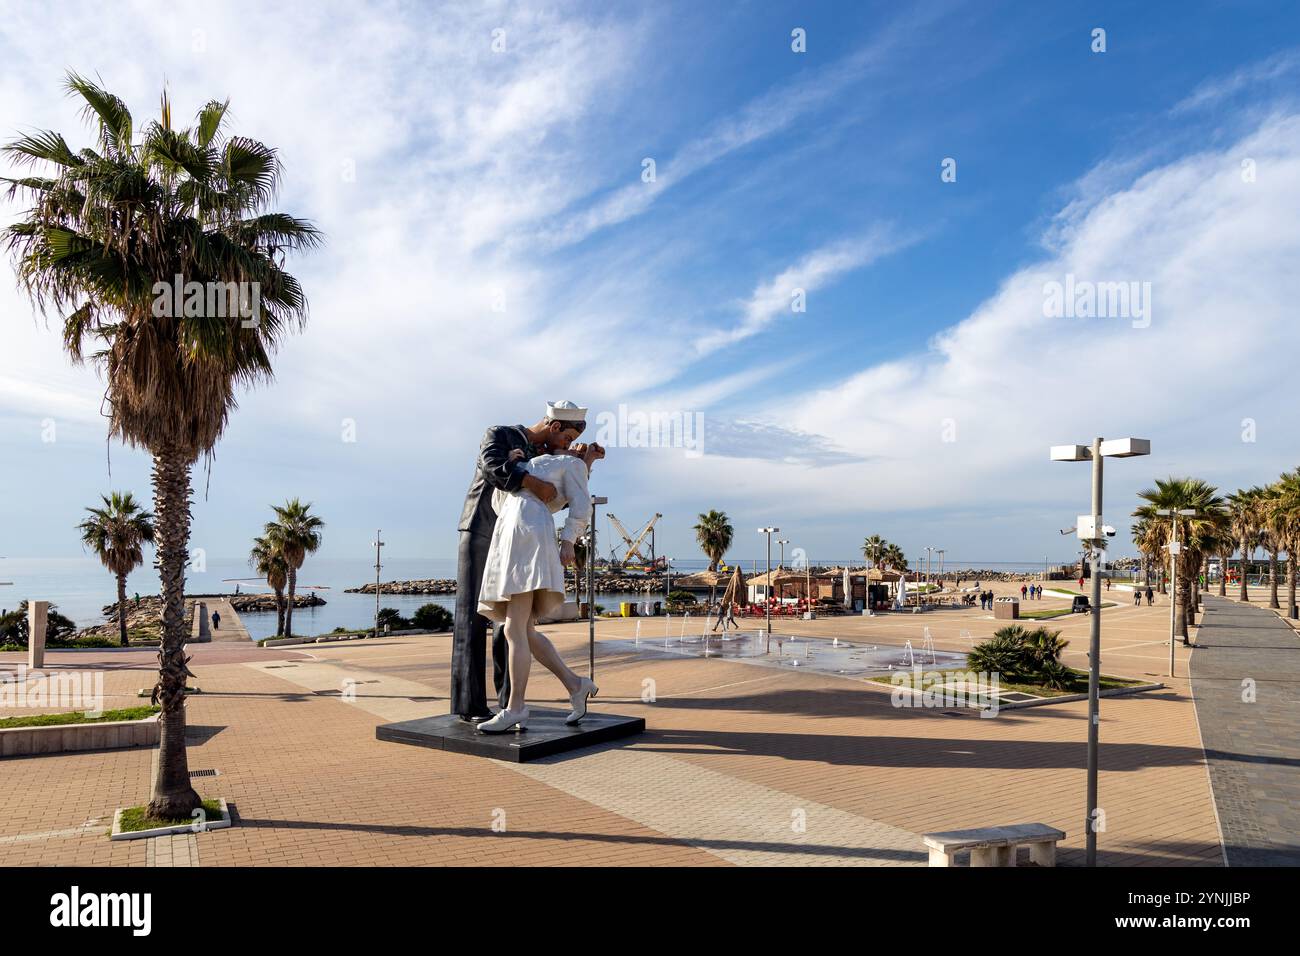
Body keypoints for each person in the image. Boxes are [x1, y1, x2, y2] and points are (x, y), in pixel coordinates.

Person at [450, 402, 587, 723]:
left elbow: (564, 495)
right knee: (473, 615)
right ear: (554, 427)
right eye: (565, 439)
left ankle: (509, 703)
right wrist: (530, 480)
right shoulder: (500, 435)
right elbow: (491, 469)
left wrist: (580, 463)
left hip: (516, 536)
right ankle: (470, 703)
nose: (566, 446)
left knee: (511, 626)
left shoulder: (544, 456)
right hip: (482, 526)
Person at [476, 439, 605, 733]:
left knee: (512, 629)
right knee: (525, 631)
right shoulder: (531, 464)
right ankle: (576, 684)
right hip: (510, 538)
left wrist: (568, 541)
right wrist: (511, 464)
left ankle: (516, 707)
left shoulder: (569, 465)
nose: (571, 444)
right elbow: (499, 504)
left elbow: (581, 504)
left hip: (531, 538)